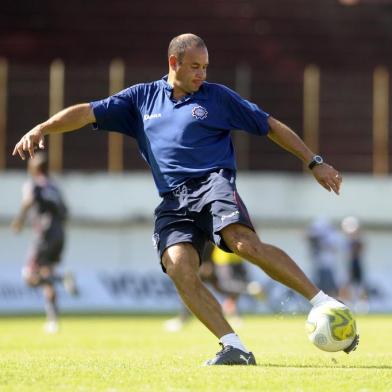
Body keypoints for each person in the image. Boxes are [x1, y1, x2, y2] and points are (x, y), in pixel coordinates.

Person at [12, 33, 358, 363]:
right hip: (173, 201)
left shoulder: (218, 98)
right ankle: (233, 346)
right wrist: (42, 127)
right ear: (173, 62)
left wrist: (314, 162)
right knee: (179, 266)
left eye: (206, 67)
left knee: (242, 243)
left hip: (213, 184)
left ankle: (324, 302)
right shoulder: (140, 99)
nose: (202, 74)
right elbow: (87, 111)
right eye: (196, 67)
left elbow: (269, 125)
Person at [11, 152, 78, 333]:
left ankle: (62, 278)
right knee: (46, 276)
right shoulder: (55, 187)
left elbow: (27, 201)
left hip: (43, 234)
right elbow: (65, 212)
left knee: (29, 276)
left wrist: (19, 221)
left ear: (32, 169)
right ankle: (53, 321)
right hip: (59, 234)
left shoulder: (32, 184)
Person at [307, 217, 341, 297]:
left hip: (328, 265)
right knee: (318, 285)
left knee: (329, 285)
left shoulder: (331, 236)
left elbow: (334, 248)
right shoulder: (316, 237)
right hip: (319, 265)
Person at [340, 216, 368, 311]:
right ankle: (346, 302)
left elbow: (360, 249)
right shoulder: (346, 241)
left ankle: (362, 304)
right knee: (346, 284)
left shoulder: (359, 240)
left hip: (356, 264)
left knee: (359, 285)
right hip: (348, 265)